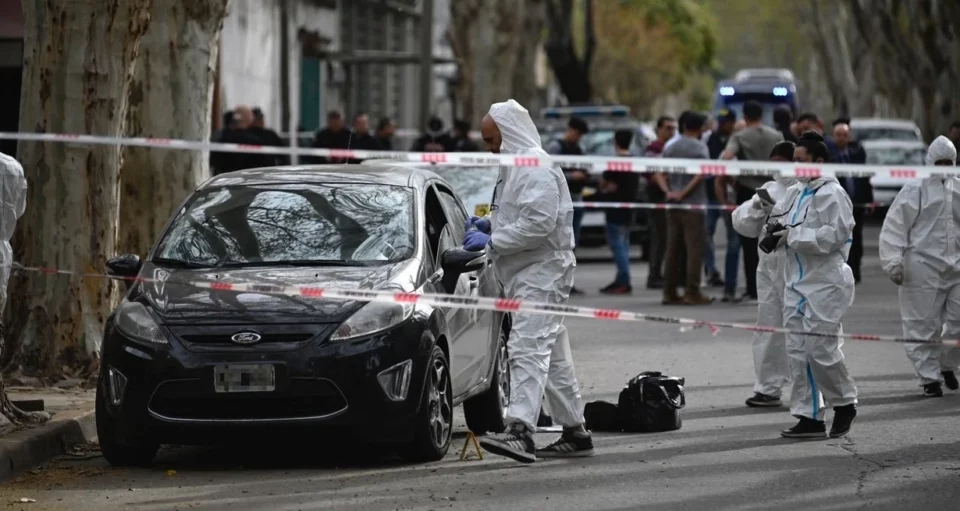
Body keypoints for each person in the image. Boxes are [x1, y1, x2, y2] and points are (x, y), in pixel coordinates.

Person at [464, 99, 592, 463]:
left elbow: (539, 225)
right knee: (550, 354)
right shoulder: (515, 167)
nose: (490, 149)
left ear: (510, 133)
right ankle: (574, 429)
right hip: (525, 272)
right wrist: (493, 225)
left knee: (526, 347)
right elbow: (521, 213)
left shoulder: (534, 167)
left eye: (492, 140)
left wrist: (493, 240)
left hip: (542, 271)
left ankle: (521, 430)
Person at [774, 131, 858, 439]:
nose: (795, 166)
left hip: (824, 281)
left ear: (819, 162)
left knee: (820, 349)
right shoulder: (798, 191)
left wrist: (791, 236)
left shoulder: (831, 194)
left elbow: (832, 237)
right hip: (795, 281)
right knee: (797, 351)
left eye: (800, 160)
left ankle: (845, 403)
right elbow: (781, 219)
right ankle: (809, 416)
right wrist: (775, 227)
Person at [879, 136, 960, 397]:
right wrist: (893, 261)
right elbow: (895, 226)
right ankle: (928, 377)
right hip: (922, 264)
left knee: (958, 321)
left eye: (949, 162)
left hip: (957, 264)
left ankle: (946, 364)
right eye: (941, 162)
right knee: (922, 323)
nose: (945, 167)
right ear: (930, 162)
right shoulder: (915, 188)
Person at [732, 141, 797, 408]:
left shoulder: (811, 189)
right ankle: (768, 387)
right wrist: (757, 208)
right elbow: (742, 224)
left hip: (800, 272)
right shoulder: (769, 189)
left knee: (808, 332)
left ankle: (821, 389)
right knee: (769, 328)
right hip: (770, 271)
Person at [718, 100, 784, 303]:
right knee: (774, 238)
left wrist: (732, 177)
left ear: (744, 117)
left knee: (749, 241)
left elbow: (726, 158)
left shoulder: (739, 136)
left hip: (749, 192)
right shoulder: (776, 135)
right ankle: (775, 287)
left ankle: (753, 289)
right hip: (774, 190)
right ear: (762, 115)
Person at [657, 111, 712, 306]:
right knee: (694, 250)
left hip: (673, 206)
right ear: (699, 127)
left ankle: (669, 291)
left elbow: (659, 173)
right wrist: (683, 193)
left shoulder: (671, 146)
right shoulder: (699, 147)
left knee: (672, 249)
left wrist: (669, 192)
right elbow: (701, 174)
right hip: (693, 206)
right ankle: (692, 291)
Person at [547, 117, 590, 295]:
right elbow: (550, 171)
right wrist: (574, 176)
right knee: (560, 245)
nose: (578, 138)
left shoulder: (578, 148)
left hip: (577, 199)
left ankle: (567, 282)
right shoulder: (556, 147)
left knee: (572, 245)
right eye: (578, 134)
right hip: (562, 202)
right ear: (570, 130)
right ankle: (557, 282)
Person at [593, 129, 640, 294]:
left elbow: (604, 183)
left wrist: (605, 187)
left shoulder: (614, 163)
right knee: (624, 246)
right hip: (629, 209)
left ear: (615, 142)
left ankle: (623, 280)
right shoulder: (634, 162)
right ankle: (621, 279)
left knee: (618, 247)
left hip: (615, 210)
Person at [829, 120, 872, 283]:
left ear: (849, 137)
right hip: (838, 205)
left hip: (857, 204)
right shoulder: (829, 157)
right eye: (838, 135)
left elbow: (865, 178)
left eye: (844, 135)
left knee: (857, 239)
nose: (841, 138)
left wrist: (869, 200)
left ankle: (855, 271)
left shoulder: (857, 154)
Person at [705, 109, 740, 298]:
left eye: (726, 121)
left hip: (730, 197)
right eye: (721, 121)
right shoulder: (711, 139)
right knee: (706, 232)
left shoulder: (737, 140)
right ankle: (711, 271)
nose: (722, 124)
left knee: (733, 241)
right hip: (711, 195)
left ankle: (732, 285)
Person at [644, 116, 677, 290]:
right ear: (659, 129)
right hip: (656, 196)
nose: (671, 132)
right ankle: (654, 275)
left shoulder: (670, 148)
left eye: (673, 128)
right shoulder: (654, 148)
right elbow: (655, 174)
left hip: (667, 195)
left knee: (666, 238)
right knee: (660, 237)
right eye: (667, 128)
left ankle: (660, 273)